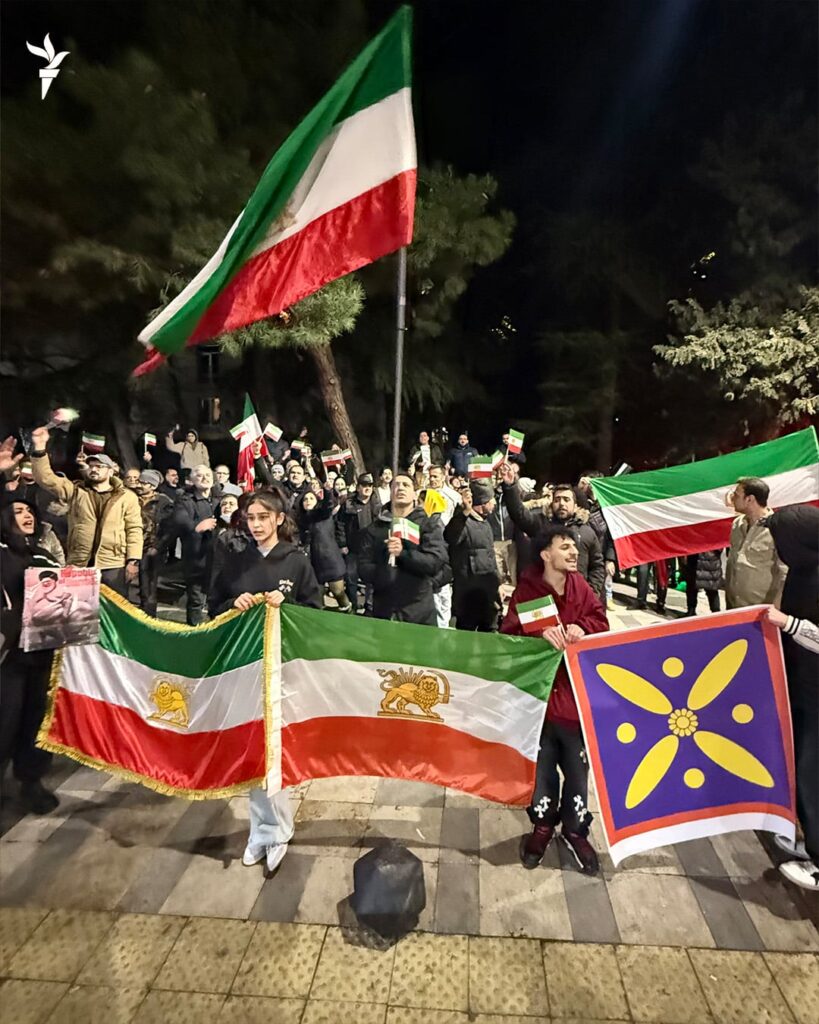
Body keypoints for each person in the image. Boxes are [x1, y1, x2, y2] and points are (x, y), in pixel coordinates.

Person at [209, 488, 321, 874]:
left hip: (283, 669)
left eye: (262, 517)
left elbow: (316, 612)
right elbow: (213, 605)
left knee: (274, 747)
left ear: (278, 519)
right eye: (250, 518)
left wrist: (285, 606)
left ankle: (277, 829)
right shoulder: (234, 560)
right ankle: (263, 828)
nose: (255, 525)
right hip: (244, 666)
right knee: (252, 747)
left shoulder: (296, 562)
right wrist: (231, 604)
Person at [502, 524, 609, 874]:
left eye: (574, 547)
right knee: (543, 772)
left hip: (577, 705)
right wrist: (536, 635)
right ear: (546, 554)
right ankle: (543, 826)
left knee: (578, 775)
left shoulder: (582, 587)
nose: (574, 552)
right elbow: (508, 639)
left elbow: (600, 620)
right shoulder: (527, 592)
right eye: (565, 547)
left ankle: (576, 831)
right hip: (540, 705)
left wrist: (584, 628)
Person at [766, 505, 819, 891]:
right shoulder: (803, 571)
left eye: (781, 540)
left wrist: (789, 624)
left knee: (812, 774)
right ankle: (811, 842)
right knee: (801, 770)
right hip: (802, 689)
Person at [0, 498, 62, 814]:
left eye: (29, 511)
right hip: (7, 658)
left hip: (40, 654)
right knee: (5, 721)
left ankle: (31, 781)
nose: (26, 516)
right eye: (16, 511)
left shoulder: (42, 554)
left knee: (37, 720)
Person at [26, 428, 143, 596]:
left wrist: (133, 560)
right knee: (80, 612)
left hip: (113, 564)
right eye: (91, 466)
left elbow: (134, 529)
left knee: (113, 613)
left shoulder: (127, 497)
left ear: (110, 471)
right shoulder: (76, 491)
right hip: (80, 562)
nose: (94, 470)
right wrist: (39, 449)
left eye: (99, 467)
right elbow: (46, 479)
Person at [500, 465, 605, 597]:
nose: (561, 504)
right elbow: (519, 514)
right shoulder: (541, 525)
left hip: (577, 598)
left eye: (566, 500)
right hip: (545, 596)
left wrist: (591, 592)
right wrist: (510, 486)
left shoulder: (587, 532)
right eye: (557, 500)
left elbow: (597, 566)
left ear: (575, 505)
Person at [358, 473, 448, 626]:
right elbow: (363, 567)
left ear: (414, 493)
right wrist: (384, 571)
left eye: (406, 485)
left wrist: (404, 555)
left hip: (419, 613)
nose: (400, 488)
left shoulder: (428, 525)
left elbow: (436, 561)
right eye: (396, 485)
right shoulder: (375, 529)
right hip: (384, 611)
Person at [445, 480, 500, 631]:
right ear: (482, 502)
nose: (494, 503)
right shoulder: (463, 521)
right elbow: (450, 536)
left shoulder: (486, 524)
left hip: (488, 597)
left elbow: (491, 559)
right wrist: (463, 513)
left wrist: (497, 585)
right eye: (491, 499)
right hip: (467, 599)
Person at [726, 477, 786, 608]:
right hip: (733, 608)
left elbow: (785, 575)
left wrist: (776, 609)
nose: (732, 498)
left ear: (749, 499)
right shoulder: (737, 524)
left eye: (736, 495)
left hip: (761, 611)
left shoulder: (778, 528)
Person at [173, 464, 219, 625]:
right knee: (196, 599)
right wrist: (196, 527)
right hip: (196, 557)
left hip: (220, 558)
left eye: (208, 475)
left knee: (218, 598)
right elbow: (180, 522)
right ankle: (195, 631)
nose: (205, 478)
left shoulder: (221, 499)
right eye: (199, 475)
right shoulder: (185, 500)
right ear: (192, 480)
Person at [297, 479, 352, 611]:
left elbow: (328, 505)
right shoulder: (302, 520)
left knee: (339, 593)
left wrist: (327, 491)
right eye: (305, 499)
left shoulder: (323, 514)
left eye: (311, 498)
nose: (308, 501)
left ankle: (349, 613)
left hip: (330, 561)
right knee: (317, 598)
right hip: (312, 564)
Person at [133, 469, 175, 617]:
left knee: (149, 585)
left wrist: (158, 546)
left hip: (151, 549)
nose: (139, 485)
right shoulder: (130, 498)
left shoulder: (164, 502)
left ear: (152, 486)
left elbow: (169, 528)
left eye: (143, 483)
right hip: (131, 545)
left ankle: (148, 615)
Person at [339, 473, 381, 611]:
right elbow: (340, 524)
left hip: (371, 549)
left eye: (370, 485)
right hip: (353, 548)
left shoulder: (377, 504)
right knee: (351, 578)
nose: (367, 488)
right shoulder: (348, 503)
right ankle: (354, 606)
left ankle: (369, 606)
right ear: (358, 487)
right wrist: (342, 543)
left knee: (372, 579)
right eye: (364, 485)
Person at [684, 550, 723, 615]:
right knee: (710, 587)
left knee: (693, 586)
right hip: (707, 556)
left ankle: (691, 611)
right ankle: (716, 613)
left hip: (700, 555)